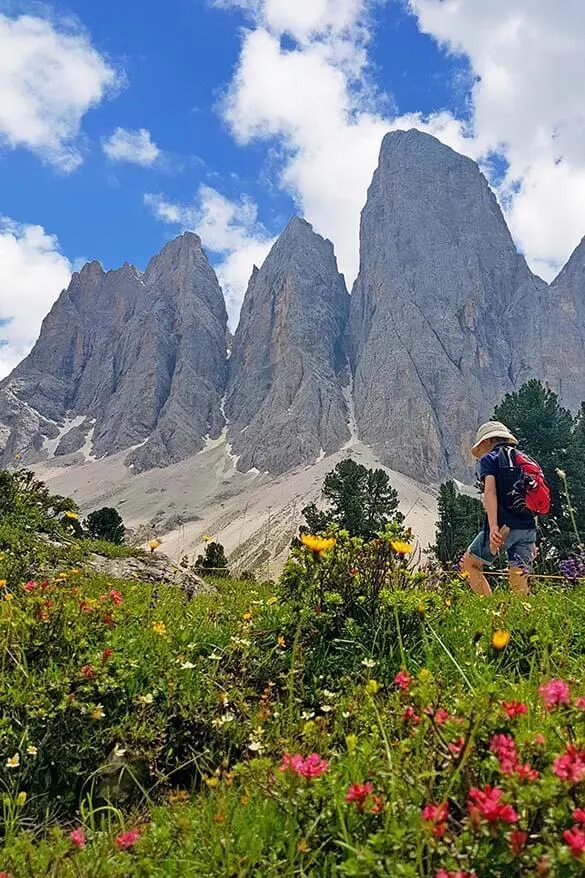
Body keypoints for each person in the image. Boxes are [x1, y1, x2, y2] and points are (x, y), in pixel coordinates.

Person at [462, 421, 537, 597]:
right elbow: (532, 497)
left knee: (469, 564)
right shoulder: (523, 459)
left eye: (480, 449)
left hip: (504, 527)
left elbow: (490, 491)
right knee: (519, 579)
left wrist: (493, 526)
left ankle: (490, 611)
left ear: (487, 442)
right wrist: (532, 536)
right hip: (528, 528)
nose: (480, 455)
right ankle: (521, 619)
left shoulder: (491, 459)